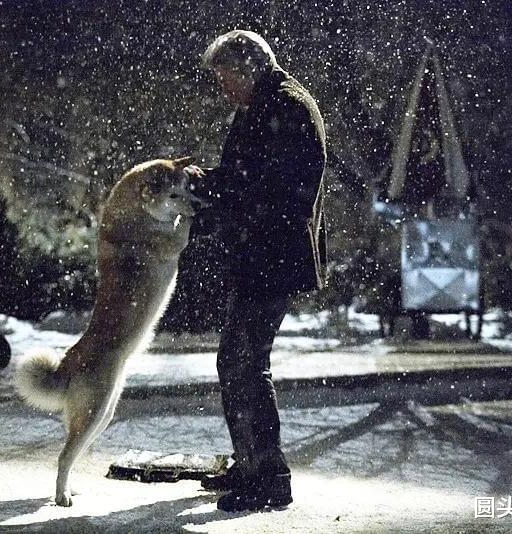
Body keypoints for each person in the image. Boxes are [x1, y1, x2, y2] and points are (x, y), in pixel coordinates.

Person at [186, 30, 327, 512]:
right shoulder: (266, 105)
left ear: (248, 69)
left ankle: (268, 476)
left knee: (244, 362)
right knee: (239, 361)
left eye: (225, 78)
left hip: (271, 256)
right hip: (262, 255)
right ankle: (251, 463)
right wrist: (208, 183)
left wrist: (215, 191)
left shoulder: (286, 107)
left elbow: (271, 189)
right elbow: (246, 178)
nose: (223, 89)